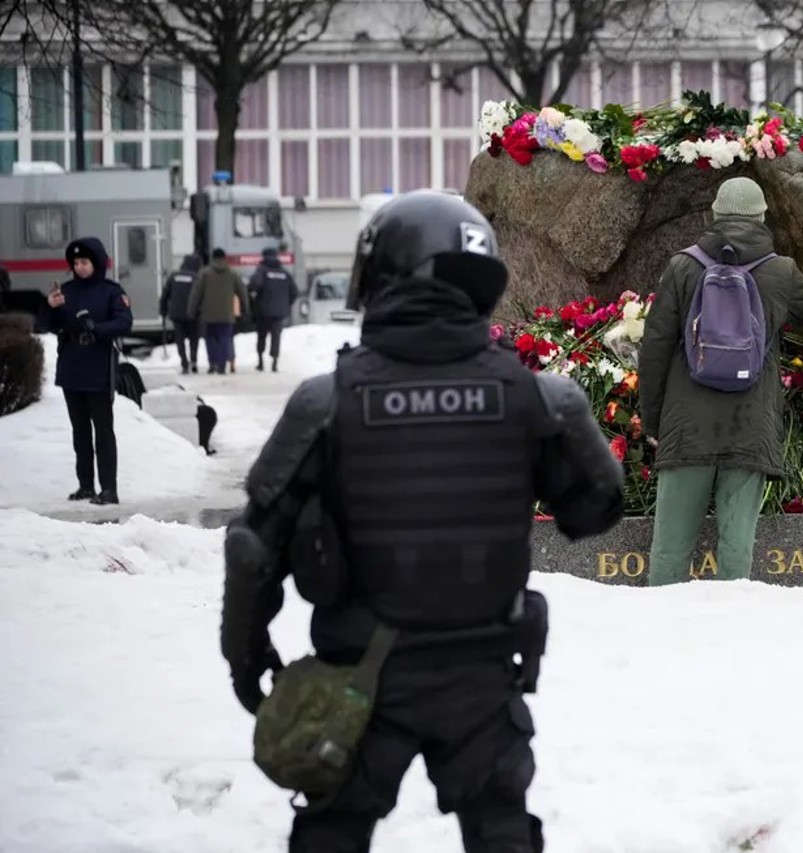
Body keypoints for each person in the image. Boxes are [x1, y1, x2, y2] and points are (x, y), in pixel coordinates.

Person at [220, 190, 624, 852]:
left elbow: (250, 550)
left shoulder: (328, 400)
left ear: (381, 278)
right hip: (484, 679)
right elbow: (594, 508)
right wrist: (562, 417)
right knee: (500, 832)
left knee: (332, 835)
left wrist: (246, 656)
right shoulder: (529, 395)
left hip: (361, 678)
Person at [638, 176, 803, 586]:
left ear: (715, 215)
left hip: (686, 428)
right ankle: (731, 641)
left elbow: (654, 350)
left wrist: (654, 423)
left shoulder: (683, 267)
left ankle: (662, 640)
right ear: (761, 219)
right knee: (736, 552)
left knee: (669, 552)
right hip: (750, 427)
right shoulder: (780, 271)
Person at [36, 237, 134, 505]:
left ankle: (109, 489)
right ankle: (86, 486)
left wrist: (97, 329)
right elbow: (46, 325)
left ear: (97, 263)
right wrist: (51, 307)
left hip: (99, 368)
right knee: (79, 431)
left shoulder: (111, 291)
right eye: (76, 263)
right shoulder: (66, 291)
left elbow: (125, 322)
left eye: (85, 262)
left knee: (103, 431)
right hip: (72, 368)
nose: (79, 267)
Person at [189, 247, 249, 375]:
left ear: (213, 258)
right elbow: (242, 292)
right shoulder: (233, 274)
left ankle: (213, 364)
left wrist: (192, 310)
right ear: (224, 258)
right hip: (227, 314)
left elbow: (196, 293)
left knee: (210, 339)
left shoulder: (204, 273)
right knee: (224, 339)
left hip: (208, 314)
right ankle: (222, 366)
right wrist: (245, 309)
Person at [247, 246, 298, 372]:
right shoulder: (285, 273)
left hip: (263, 311)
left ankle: (260, 362)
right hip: (279, 312)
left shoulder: (261, 271)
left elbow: (254, 286)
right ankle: (275, 363)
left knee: (261, 336)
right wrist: (286, 304)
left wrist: (253, 299)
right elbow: (295, 292)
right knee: (276, 337)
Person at [159, 254, 203, 374]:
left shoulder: (174, 276)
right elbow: (200, 296)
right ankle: (193, 361)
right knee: (194, 339)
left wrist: (163, 311)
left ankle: (184, 362)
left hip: (177, 314)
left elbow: (165, 295)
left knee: (180, 340)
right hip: (193, 314)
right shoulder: (196, 277)